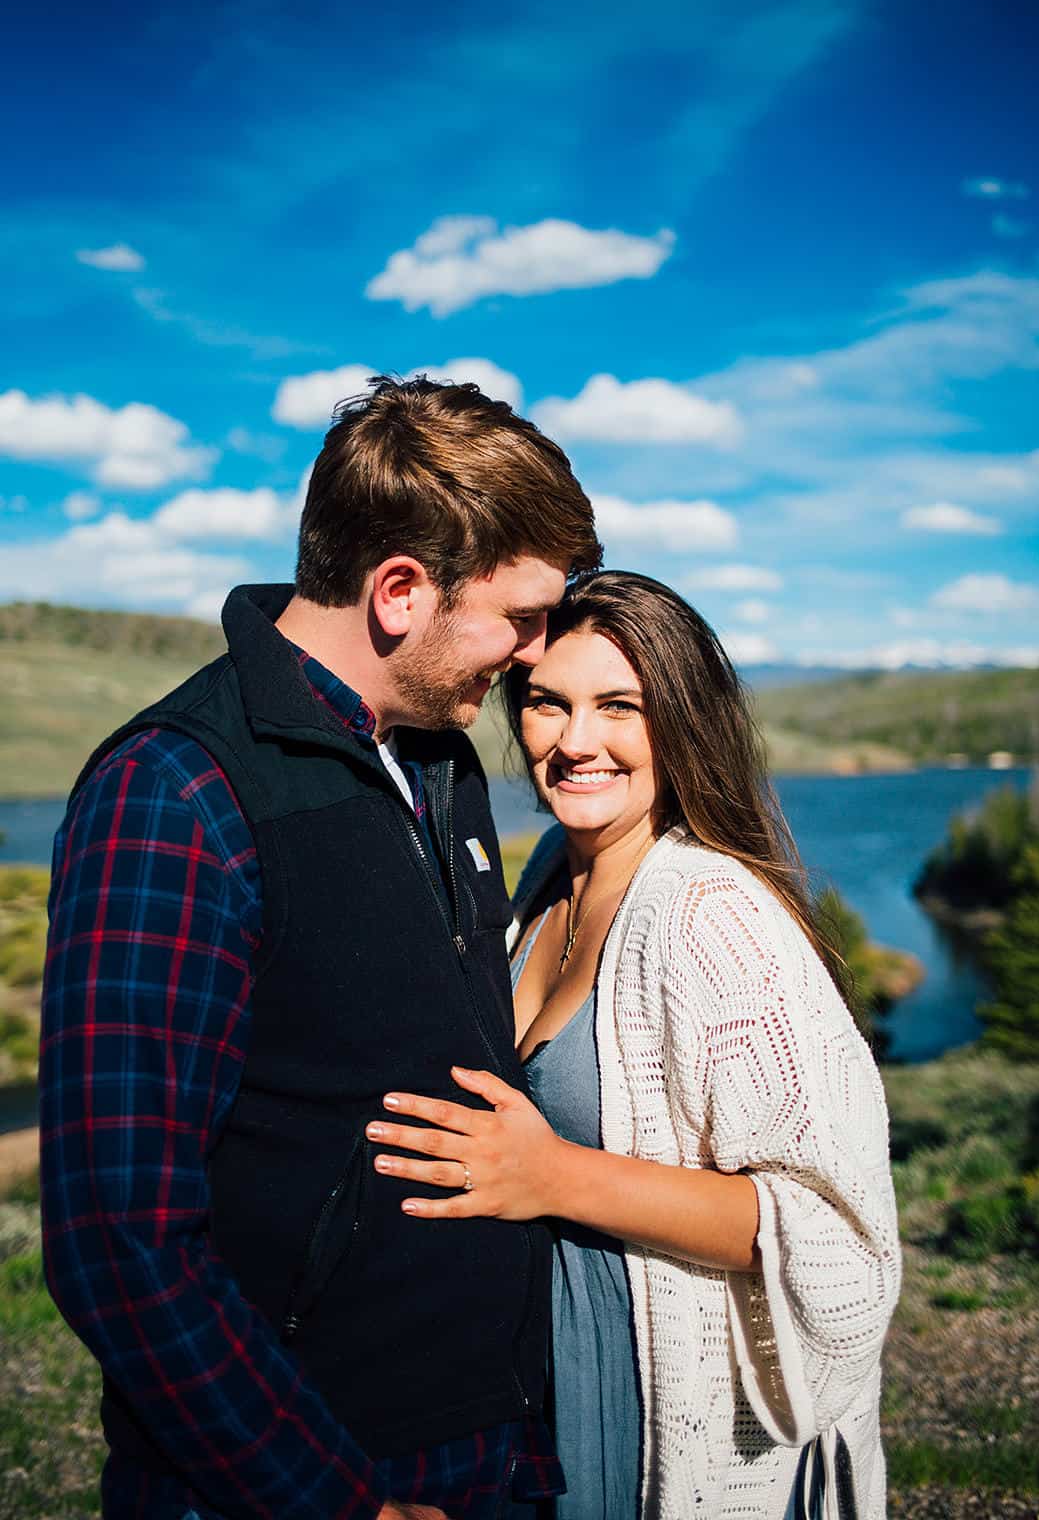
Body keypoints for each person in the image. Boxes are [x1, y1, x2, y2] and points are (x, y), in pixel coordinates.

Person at [38, 376, 602, 1520]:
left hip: (486, 1445)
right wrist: (326, 1499)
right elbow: (118, 1239)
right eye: (522, 614)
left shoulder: (438, 762)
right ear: (400, 590)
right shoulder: (177, 791)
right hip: (300, 1470)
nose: (536, 654)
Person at [363, 571, 902, 1520]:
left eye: (620, 707)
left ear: (683, 722)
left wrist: (554, 1177)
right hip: (536, 1416)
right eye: (546, 704)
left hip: (648, 1425)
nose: (575, 743)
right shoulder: (540, 881)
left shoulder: (708, 913)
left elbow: (837, 1237)